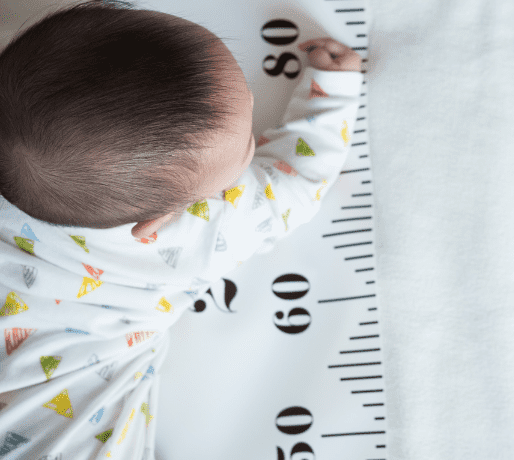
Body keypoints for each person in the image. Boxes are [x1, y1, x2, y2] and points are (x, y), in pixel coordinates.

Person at [0, 1, 363, 458]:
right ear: (155, 222)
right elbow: (293, 186)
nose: (253, 107)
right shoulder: (175, 243)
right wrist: (329, 91)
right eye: (248, 146)